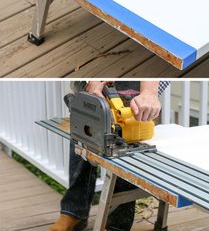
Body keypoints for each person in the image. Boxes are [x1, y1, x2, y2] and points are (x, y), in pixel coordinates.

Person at [49, 81, 169, 231]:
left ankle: (116, 226)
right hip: (94, 82)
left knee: (127, 141)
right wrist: (93, 79)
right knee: (84, 129)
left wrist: (149, 92)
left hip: (134, 88)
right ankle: (73, 212)